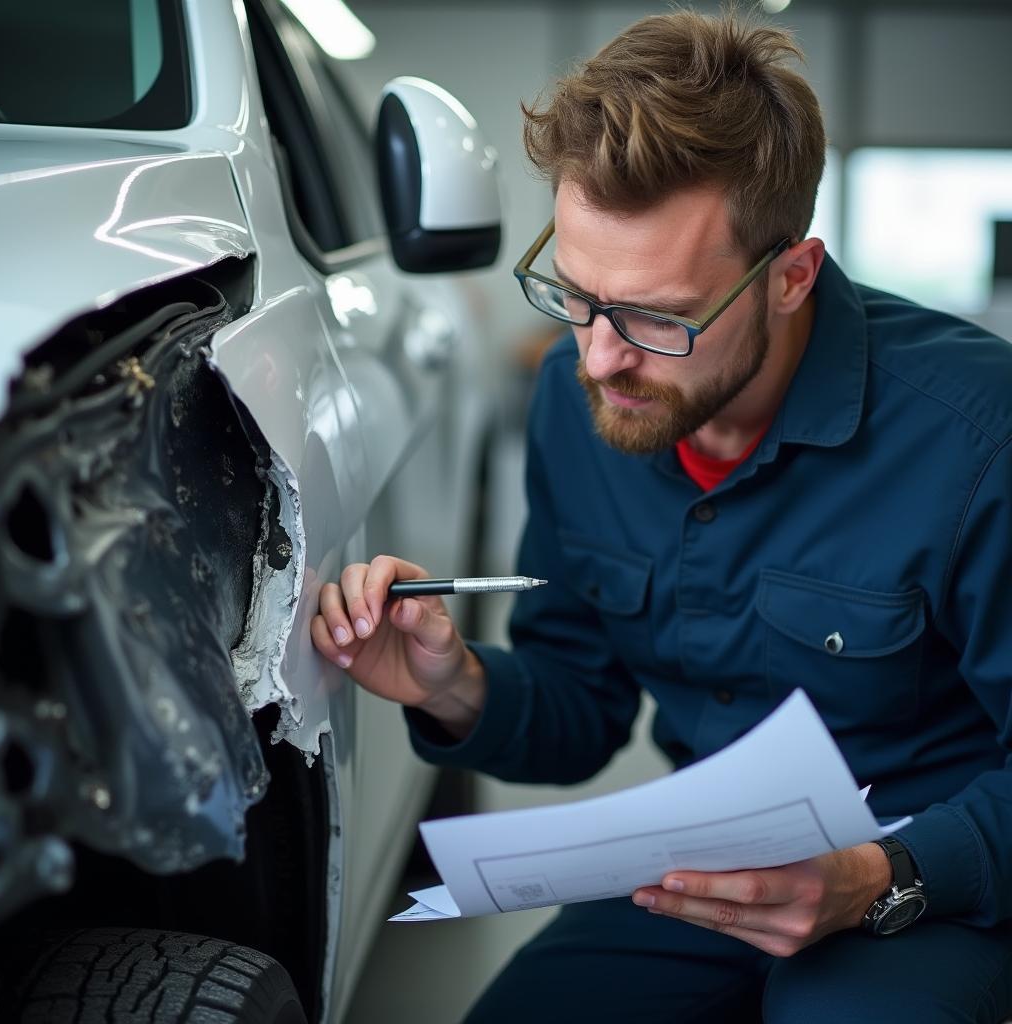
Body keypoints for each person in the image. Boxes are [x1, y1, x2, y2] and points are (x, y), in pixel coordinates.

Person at [312, 9, 1012, 1022]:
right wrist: (455, 683)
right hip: (707, 872)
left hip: (930, 884)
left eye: (655, 317)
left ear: (789, 278)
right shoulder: (576, 394)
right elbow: (580, 712)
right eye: (576, 294)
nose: (599, 356)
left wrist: (875, 873)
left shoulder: (976, 434)